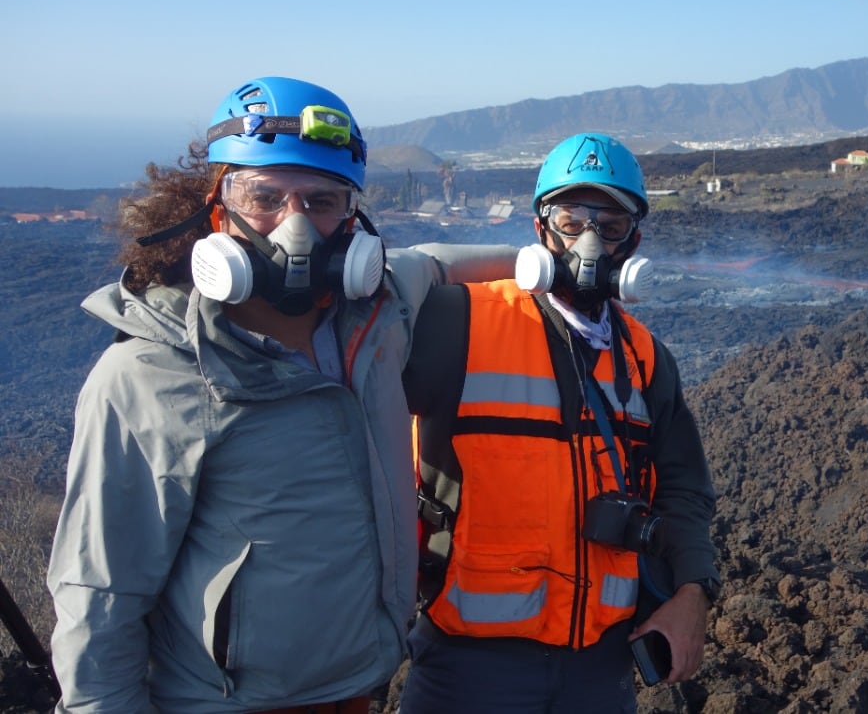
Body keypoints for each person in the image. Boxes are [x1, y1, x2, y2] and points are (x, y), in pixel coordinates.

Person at [46, 77, 515, 713]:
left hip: (359, 686)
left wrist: (550, 255)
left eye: (321, 201)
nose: (295, 227)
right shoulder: (148, 375)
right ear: (218, 206)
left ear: (352, 218)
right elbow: (100, 596)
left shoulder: (375, 320)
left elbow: (433, 261)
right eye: (264, 196)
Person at [400, 133, 721, 712]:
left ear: (636, 240)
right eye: (572, 220)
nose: (590, 241)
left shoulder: (646, 358)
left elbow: (684, 489)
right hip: (464, 670)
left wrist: (694, 591)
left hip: (600, 671)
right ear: (540, 228)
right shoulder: (460, 321)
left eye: (611, 223)